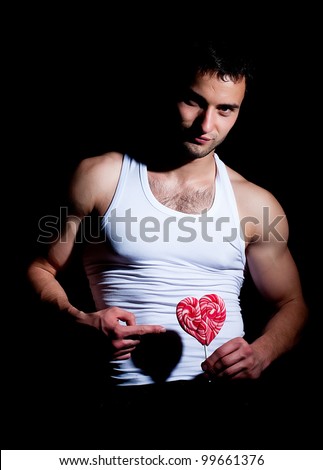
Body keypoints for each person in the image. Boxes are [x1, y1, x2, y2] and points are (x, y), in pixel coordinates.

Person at [26, 36, 309, 449]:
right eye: (194, 102)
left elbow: (293, 304)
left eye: (225, 109)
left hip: (225, 407)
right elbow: (39, 267)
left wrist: (262, 352)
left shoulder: (255, 202)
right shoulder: (101, 176)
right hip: (119, 404)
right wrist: (77, 320)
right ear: (169, 93)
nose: (206, 126)